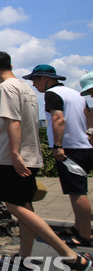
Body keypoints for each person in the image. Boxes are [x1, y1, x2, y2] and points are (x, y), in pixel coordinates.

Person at [0, 50, 90, 271]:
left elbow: (13, 121)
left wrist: (14, 154)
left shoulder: (6, 88)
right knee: (25, 205)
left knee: (14, 206)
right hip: (31, 155)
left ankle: (71, 258)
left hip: (13, 158)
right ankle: (24, 257)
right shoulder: (26, 89)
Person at [24, 64, 93, 246]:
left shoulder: (52, 94)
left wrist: (58, 146)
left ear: (45, 78)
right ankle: (78, 227)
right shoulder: (76, 94)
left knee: (78, 191)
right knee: (75, 190)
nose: (34, 85)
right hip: (85, 146)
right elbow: (89, 116)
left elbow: (58, 118)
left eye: (35, 80)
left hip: (70, 148)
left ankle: (85, 233)